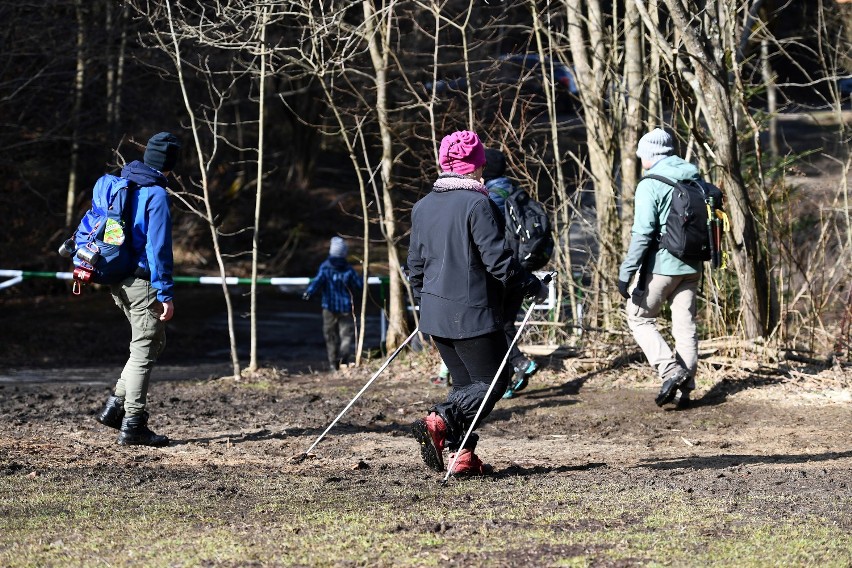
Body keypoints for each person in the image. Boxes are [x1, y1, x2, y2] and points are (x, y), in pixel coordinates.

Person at [408, 130, 548, 476]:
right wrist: (530, 284)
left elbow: (415, 266)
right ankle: (439, 420)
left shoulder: (423, 205)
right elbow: (498, 261)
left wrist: (424, 302)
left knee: (466, 385)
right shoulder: (477, 203)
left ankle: (463, 457)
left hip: (435, 313)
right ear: (476, 166)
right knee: (494, 383)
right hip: (471, 312)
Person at [94, 131, 180, 446]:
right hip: (142, 282)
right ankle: (133, 423)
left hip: (116, 277)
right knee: (144, 349)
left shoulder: (121, 182)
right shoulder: (156, 195)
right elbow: (159, 250)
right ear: (170, 163)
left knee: (153, 343)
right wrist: (166, 293)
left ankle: (115, 405)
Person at [618, 128, 701, 410]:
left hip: (662, 266)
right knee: (685, 326)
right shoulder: (693, 176)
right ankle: (685, 389)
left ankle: (669, 370)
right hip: (692, 264)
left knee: (638, 317)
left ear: (650, 155)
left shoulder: (651, 183)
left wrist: (626, 272)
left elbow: (643, 233)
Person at [482, 148, 540, 399]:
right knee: (503, 324)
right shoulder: (516, 192)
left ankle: (519, 363)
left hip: (502, 270)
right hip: (521, 269)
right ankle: (506, 380)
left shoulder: (491, 198)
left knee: (495, 326)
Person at [303, 236, 362, 372]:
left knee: (330, 336)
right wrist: (363, 276)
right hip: (346, 307)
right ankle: (344, 360)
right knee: (346, 336)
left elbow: (317, 282)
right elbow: (359, 285)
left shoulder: (325, 267)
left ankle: (332, 363)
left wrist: (309, 292)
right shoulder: (348, 269)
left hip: (328, 308)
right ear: (344, 253)